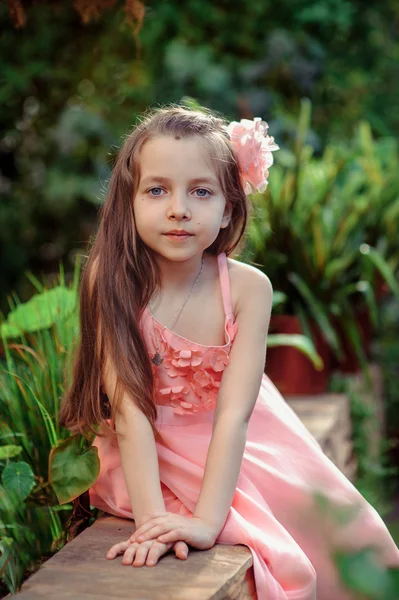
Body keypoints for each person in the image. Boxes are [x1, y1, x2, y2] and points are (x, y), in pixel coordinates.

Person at [59, 105, 399, 600]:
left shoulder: (247, 289)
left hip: (245, 436)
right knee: (264, 540)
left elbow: (235, 415)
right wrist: (154, 518)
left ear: (228, 209)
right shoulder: (111, 280)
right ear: (128, 202)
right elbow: (130, 411)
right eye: (157, 190)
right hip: (150, 445)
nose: (179, 208)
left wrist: (205, 523)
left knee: (341, 533)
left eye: (201, 191)